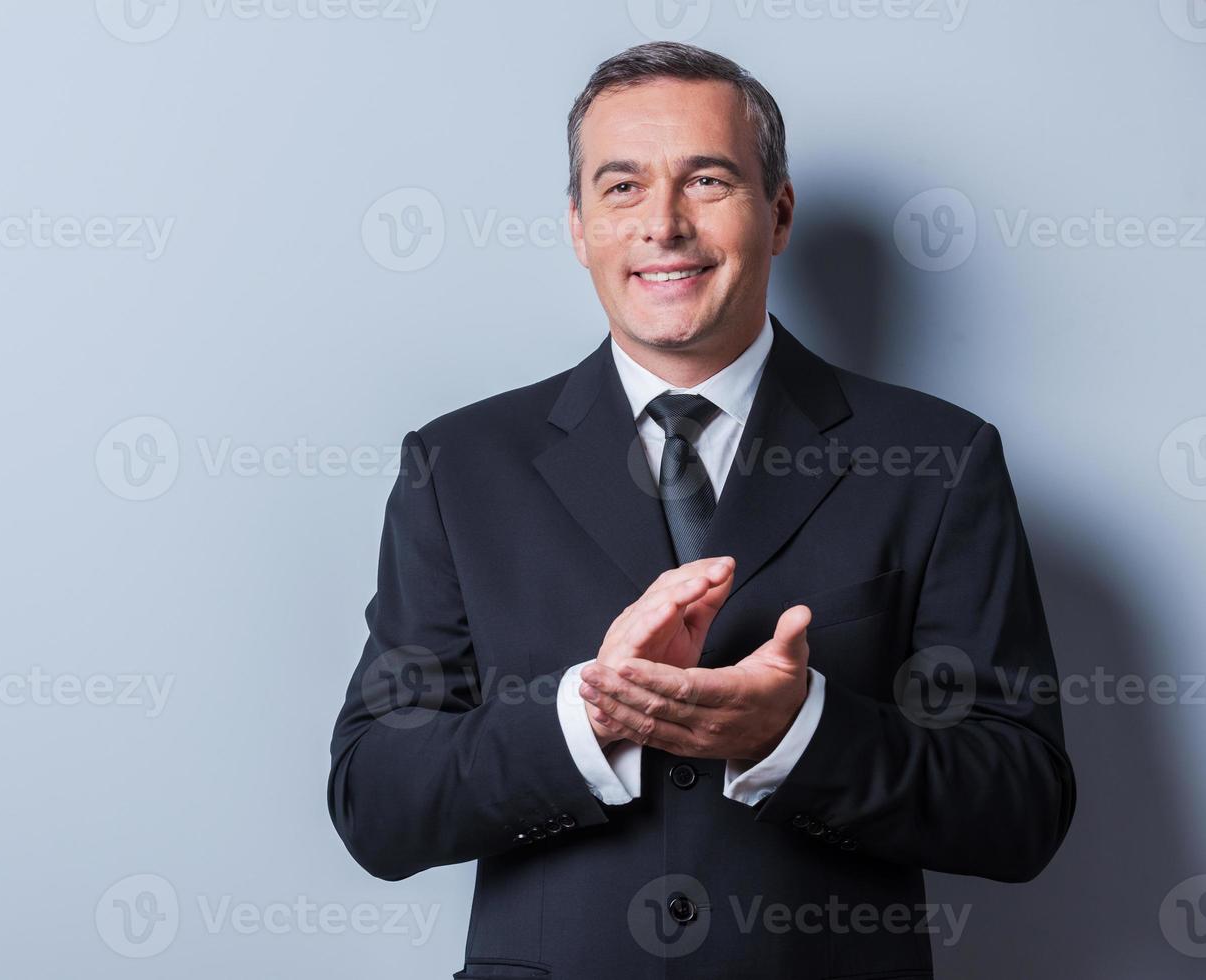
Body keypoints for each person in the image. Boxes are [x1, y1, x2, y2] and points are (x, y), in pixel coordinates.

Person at [328, 41, 1075, 979]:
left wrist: (798, 731)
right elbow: (376, 803)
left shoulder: (938, 459)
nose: (663, 225)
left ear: (779, 212)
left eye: (707, 180)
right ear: (577, 225)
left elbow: (1022, 807)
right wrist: (586, 716)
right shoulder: (458, 466)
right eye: (622, 187)